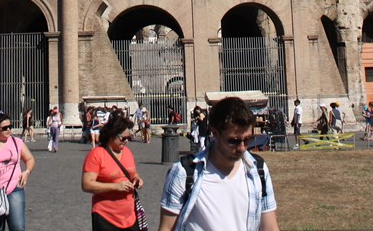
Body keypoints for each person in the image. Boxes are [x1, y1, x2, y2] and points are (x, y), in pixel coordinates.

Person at [157, 96, 279, 231]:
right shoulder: (184, 172)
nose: (242, 148)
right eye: (234, 141)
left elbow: (271, 227)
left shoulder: (258, 169)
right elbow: (166, 227)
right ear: (215, 133)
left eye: (248, 140)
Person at [82, 114, 144, 231]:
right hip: (106, 216)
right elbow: (86, 184)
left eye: (129, 138)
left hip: (130, 216)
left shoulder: (127, 152)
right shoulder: (97, 154)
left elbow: (132, 174)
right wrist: (115, 187)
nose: (126, 141)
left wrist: (137, 179)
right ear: (111, 135)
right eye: (123, 138)